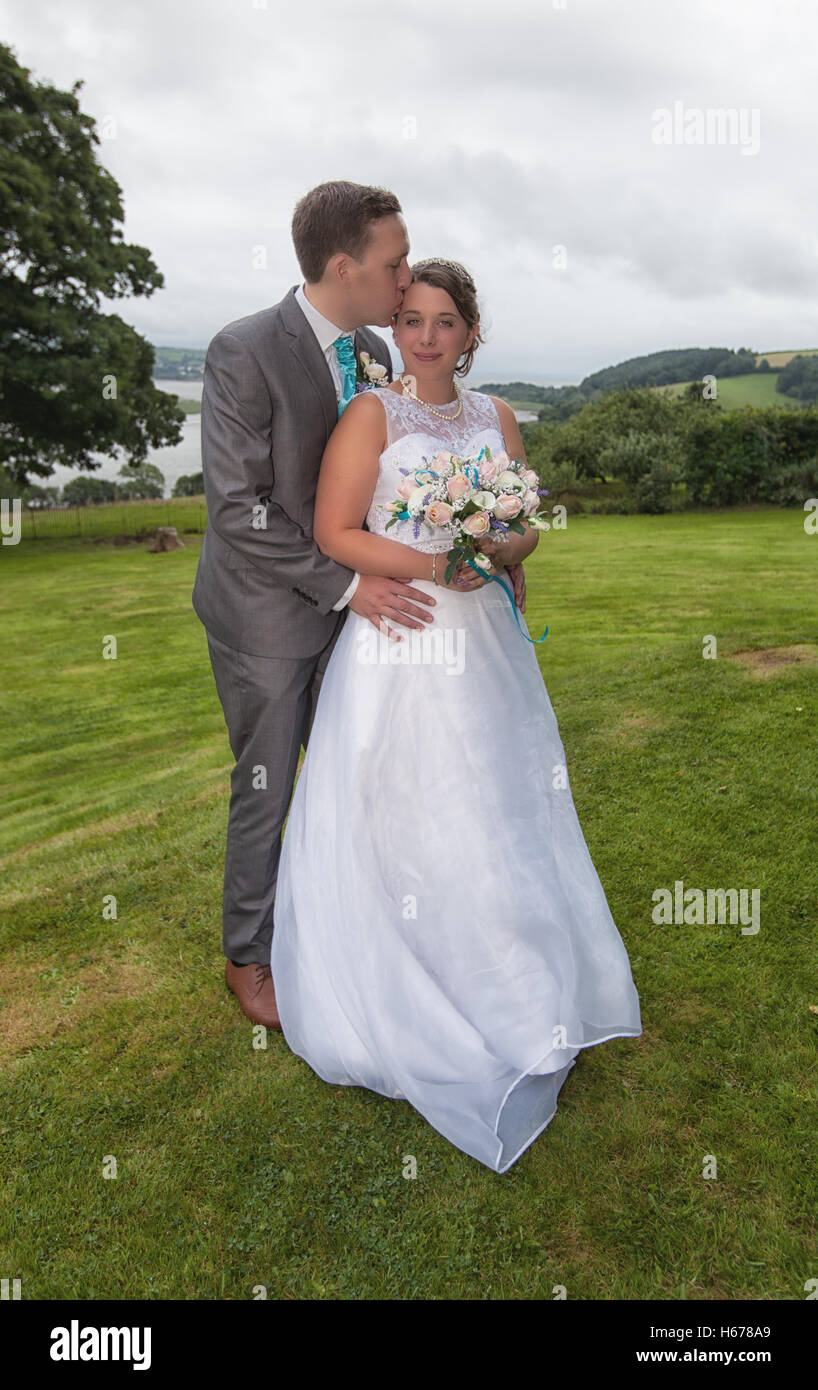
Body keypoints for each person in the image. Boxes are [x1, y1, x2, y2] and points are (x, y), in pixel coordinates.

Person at [270, 257, 643, 1173]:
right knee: (413, 802)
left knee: (499, 803)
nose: (426, 336)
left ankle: (520, 987)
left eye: (444, 321)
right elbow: (337, 533)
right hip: (405, 632)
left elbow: (524, 524)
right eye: (411, 320)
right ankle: (416, 980)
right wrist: (438, 565)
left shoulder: (497, 416)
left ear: (472, 333)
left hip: (485, 641)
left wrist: (508, 540)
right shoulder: (372, 414)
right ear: (395, 329)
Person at [192, 182, 524, 1030]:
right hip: (268, 613)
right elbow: (240, 508)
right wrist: (349, 583)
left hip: (371, 612)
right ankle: (250, 954)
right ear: (345, 266)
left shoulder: (378, 351)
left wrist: (488, 546)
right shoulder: (244, 350)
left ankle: (359, 925)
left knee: (361, 777)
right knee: (268, 781)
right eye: (394, 261)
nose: (405, 274)